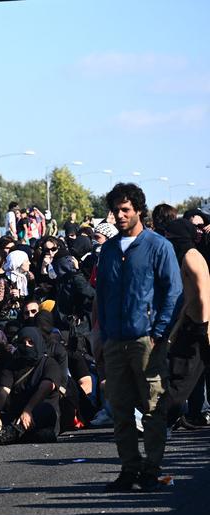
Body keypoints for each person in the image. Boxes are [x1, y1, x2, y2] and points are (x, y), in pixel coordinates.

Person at [96, 183, 182, 492]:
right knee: (120, 408)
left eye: (125, 210)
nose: (120, 216)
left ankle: (152, 467)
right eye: (116, 210)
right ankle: (128, 469)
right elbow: (102, 294)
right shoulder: (107, 250)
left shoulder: (159, 246)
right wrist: (103, 334)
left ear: (139, 211)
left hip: (147, 340)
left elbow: (173, 291)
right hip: (115, 340)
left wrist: (159, 332)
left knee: (152, 408)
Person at [158, 218, 210, 426]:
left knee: (182, 377)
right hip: (191, 324)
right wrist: (178, 326)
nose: (167, 241)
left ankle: (158, 419)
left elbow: (204, 295)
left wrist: (205, 329)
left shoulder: (191, 257)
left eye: (170, 237)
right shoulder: (184, 257)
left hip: (200, 327)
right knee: (180, 375)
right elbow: (188, 298)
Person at [0, 327, 63, 446]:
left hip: (39, 414)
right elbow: (3, 390)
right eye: (23, 342)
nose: (27, 345)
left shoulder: (49, 363)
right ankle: (33, 436)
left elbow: (46, 386)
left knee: (46, 409)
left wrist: (28, 410)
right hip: (17, 416)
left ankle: (1, 438)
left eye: (31, 342)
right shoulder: (13, 365)